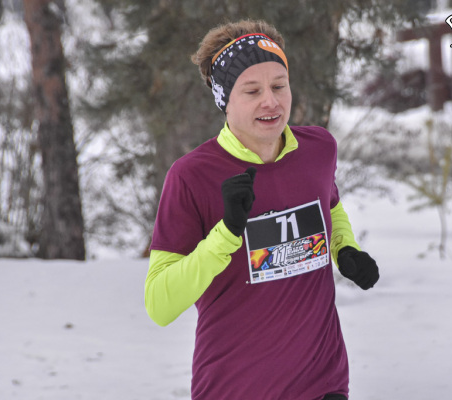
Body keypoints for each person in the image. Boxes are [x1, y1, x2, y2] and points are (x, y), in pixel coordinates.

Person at [145, 19, 380, 400]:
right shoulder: (192, 176)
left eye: (279, 86)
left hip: (323, 383)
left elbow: (330, 206)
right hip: (234, 388)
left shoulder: (318, 150)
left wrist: (344, 248)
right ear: (225, 100)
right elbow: (160, 304)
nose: (270, 101)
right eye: (252, 90)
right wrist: (225, 235)